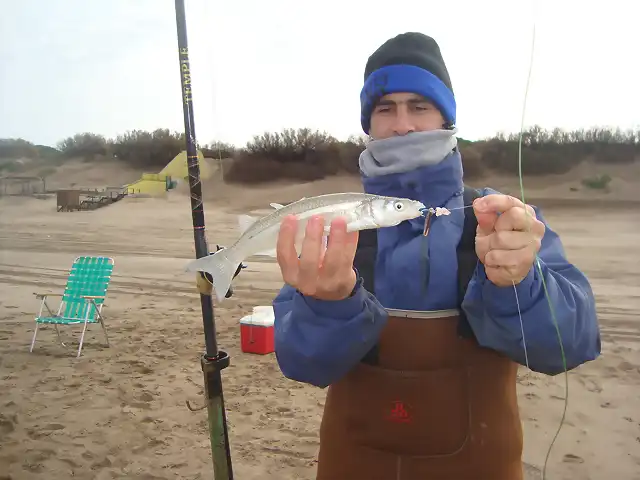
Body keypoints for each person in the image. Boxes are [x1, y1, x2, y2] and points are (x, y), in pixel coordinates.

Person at [271, 32, 601, 480]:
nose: (403, 125)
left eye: (420, 106)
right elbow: (300, 362)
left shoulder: (503, 220)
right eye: (385, 108)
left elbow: (572, 345)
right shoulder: (335, 224)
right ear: (369, 125)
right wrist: (327, 306)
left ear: (447, 117)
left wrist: (518, 282)